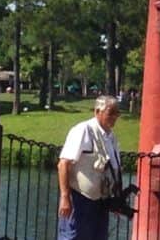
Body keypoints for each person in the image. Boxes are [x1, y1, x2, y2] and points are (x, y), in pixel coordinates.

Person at [58, 95, 122, 239]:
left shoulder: (112, 138)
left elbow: (114, 169)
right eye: (110, 113)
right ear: (97, 111)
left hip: (101, 202)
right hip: (79, 199)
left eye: (117, 113)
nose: (114, 117)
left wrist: (117, 199)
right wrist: (65, 197)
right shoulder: (83, 130)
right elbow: (63, 164)